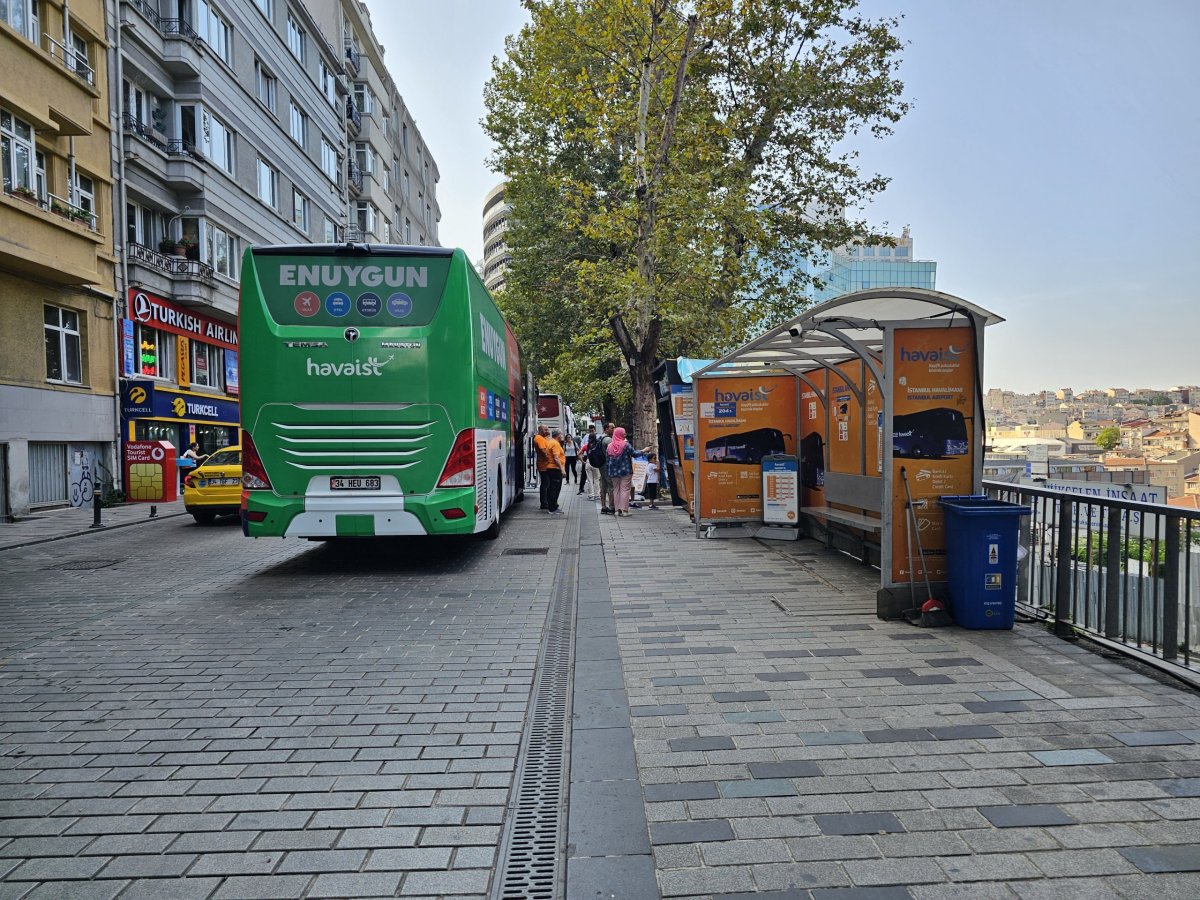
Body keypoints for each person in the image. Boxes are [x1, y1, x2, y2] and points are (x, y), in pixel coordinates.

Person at [607, 426, 636, 516]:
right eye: (623, 433)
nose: (625, 434)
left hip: (613, 472)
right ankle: (624, 511)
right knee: (625, 490)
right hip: (625, 471)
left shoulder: (609, 446)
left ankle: (617, 510)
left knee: (616, 490)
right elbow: (634, 454)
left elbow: (607, 460)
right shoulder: (626, 445)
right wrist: (644, 451)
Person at [544, 429, 567, 514]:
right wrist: (562, 469)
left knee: (551, 488)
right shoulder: (555, 444)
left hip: (551, 468)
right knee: (555, 489)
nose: (561, 436)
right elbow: (556, 458)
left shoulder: (551, 442)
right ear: (558, 435)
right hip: (555, 469)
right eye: (561, 434)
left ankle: (552, 506)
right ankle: (553, 508)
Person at [533, 425, 554, 510]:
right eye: (546, 429)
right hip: (544, 466)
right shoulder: (539, 438)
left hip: (545, 465)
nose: (548, 431)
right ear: (541, 430)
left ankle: (545, 502)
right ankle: (544, 503)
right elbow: (543, 451)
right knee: (545, 484)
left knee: (546, 484)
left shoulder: (542, 438)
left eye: (548, 429)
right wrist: (550, 460)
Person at [597, 422, 616, 514]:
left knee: (603, 485)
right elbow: (613, 453)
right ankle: (612, 507)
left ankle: (603, 507)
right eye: (612, 428)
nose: (614, 429)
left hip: (601, 465)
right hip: (607, 465)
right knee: (611, 485)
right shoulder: (608, 440)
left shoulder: (600, 437)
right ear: (606, 429)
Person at [580, 424, 599, 499]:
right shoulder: (598, 445)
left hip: (588, 461)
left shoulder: (586, 446)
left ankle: (591, 495)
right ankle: (597, 495)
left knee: (589, 479)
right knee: (596, 479)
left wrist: (582, 461)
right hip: (596, 463)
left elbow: (579, 453)